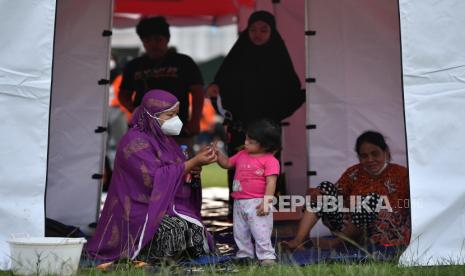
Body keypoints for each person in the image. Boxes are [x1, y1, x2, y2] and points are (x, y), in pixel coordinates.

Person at [86, 89, 217, 263]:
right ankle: (144, 255)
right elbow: (154, 178)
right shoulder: (134, 142)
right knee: (174, 230)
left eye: (176, 114)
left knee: (196, 229)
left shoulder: (165, 140)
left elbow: (176, 170)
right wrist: (191, 163)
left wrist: (192, 171)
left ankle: (168, 256)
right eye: (169, 115)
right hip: (137, 209)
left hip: (163, 205)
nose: (175, 120)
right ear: (150, 115)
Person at [206, 11, 305, 217]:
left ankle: (269, 214)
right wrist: (215, 89)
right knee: (240, 171)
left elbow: (292, 91)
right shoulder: (238, 54)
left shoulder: (278, 56)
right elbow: (220, 85)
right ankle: (239, 214)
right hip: (240, 128)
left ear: (272, 32)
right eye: (252, 30)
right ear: (246, 31)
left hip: (267, 131)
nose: (257, 34)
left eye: (263, 30)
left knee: (268, 171)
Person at [281, 131, 410, 250]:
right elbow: (334, 194)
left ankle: (335, 244)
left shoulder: (402, 174)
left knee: (371, 200)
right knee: (324, 189)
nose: (370, 160)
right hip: (351, 231)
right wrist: (317, 194)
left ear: (385, 152)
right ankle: (299, 240)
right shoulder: (354, 172)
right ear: (359, 157)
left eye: (375, 154)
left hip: (383, 233)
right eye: (364, 156)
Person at [119, 16, 204, 141]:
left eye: (158, 40)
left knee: (181, 160)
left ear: (167, 39)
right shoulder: (134, 65)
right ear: (142, 42)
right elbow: (123, 94)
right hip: (143, 130)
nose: (153, 44)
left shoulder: (183, 62)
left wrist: (195, 120)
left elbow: (198, 91)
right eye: (147, 41)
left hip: (177, 131)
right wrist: (134, 109)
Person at [215, 119, 281, 266]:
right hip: (239, 201)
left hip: (258, 203)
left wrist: (266, 202)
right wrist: (218, 155)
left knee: (261, 231)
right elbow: (227, 164)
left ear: (265, 145)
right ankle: (245, 255)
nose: (246, 143)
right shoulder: (242, 154)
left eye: (251, 142)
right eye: (246, 139)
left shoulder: (270, 160)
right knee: (240, 231)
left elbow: (271, 182)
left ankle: (267, 257)